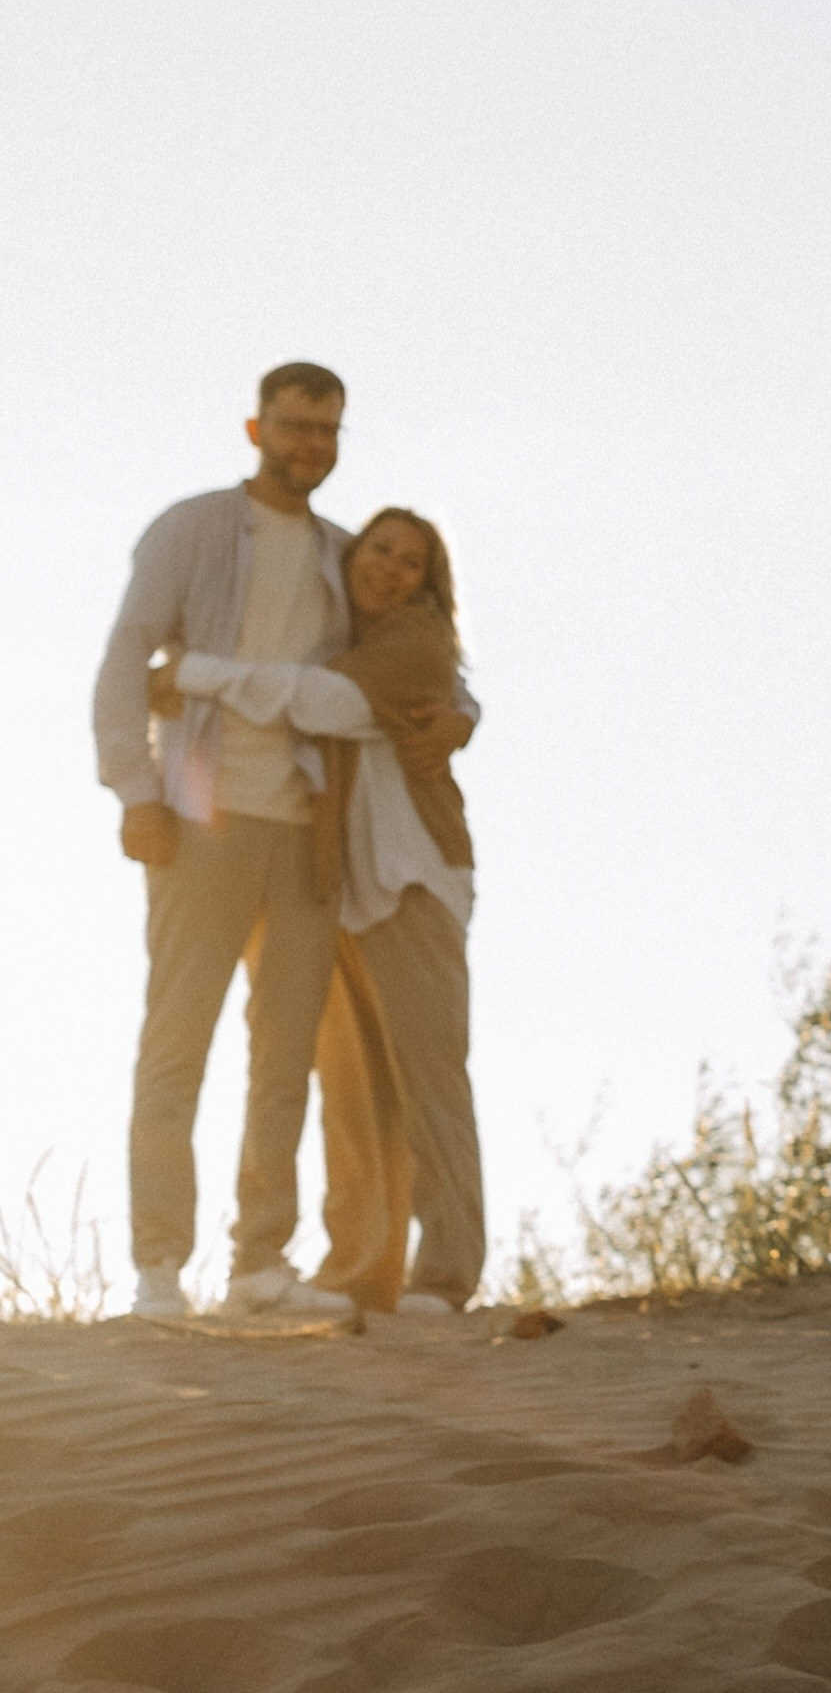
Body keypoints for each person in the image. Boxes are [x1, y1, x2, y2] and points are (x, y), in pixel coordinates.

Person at [93, 364, 472, 1320]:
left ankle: (259, 1264)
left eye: (330, 429)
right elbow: (123, 660)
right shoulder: (191, 530)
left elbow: (416, 654)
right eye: (296, 426)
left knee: (284, 1054)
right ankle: (156, 1270)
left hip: (308, 837)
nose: (313, 444)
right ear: (257, 428)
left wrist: (465, 713)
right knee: (176, 1043)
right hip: (200, 818)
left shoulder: (348, 557)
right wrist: (134, 789)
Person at [154, 507, 483, 1314]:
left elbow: (317, 703)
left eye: (411, 563)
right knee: (351, 1087)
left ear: (428, 584)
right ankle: (361, 1268)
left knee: (429, 1078)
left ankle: (446, 1273)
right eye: (380, 551)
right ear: (353, 555)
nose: (390, 571)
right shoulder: (346, 636)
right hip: (338, 883)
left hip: (411, 880)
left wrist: (191, 672)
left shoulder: (413, 641)